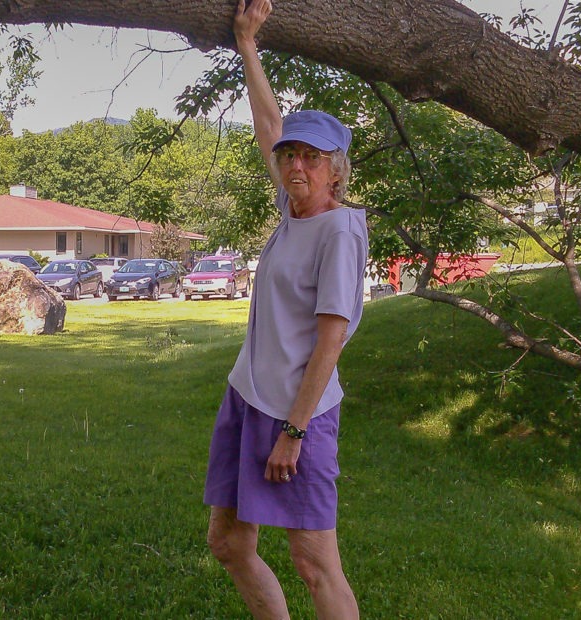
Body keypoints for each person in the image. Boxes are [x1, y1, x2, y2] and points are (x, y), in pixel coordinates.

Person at [203, 1, 367, 618]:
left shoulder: (339, 231)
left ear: (335, 170)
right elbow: (268, 120)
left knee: (315, 563)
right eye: (290, 154)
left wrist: (294, 434)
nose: (297, 163)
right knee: (227, 542)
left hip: (298, 415)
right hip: (247, 397)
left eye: (313, 157)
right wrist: (248, 44)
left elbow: (331, 342)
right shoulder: (292, 212)